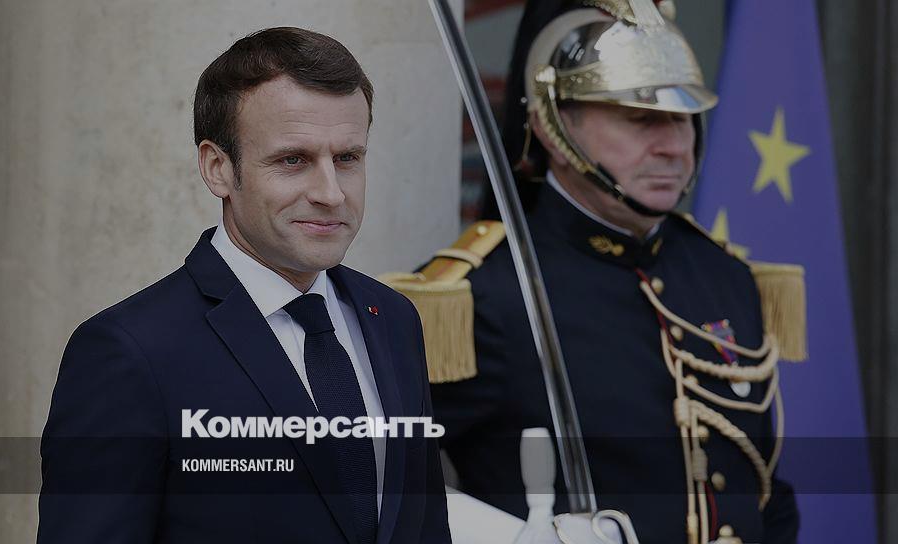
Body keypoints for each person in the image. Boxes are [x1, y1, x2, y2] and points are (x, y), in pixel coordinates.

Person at [39, 27, 451, 544]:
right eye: (293, 160)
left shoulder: (393, 318)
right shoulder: (129, 353)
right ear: (218, 169)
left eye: (347, 158)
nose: (331, 193)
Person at [427, 1, 799, 542]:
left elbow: (764, 490)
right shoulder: (482, 297)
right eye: (641, 118)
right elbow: (371, 475)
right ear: (552, 128)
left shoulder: (724, 274)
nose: (673, 146)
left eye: (683, 117)